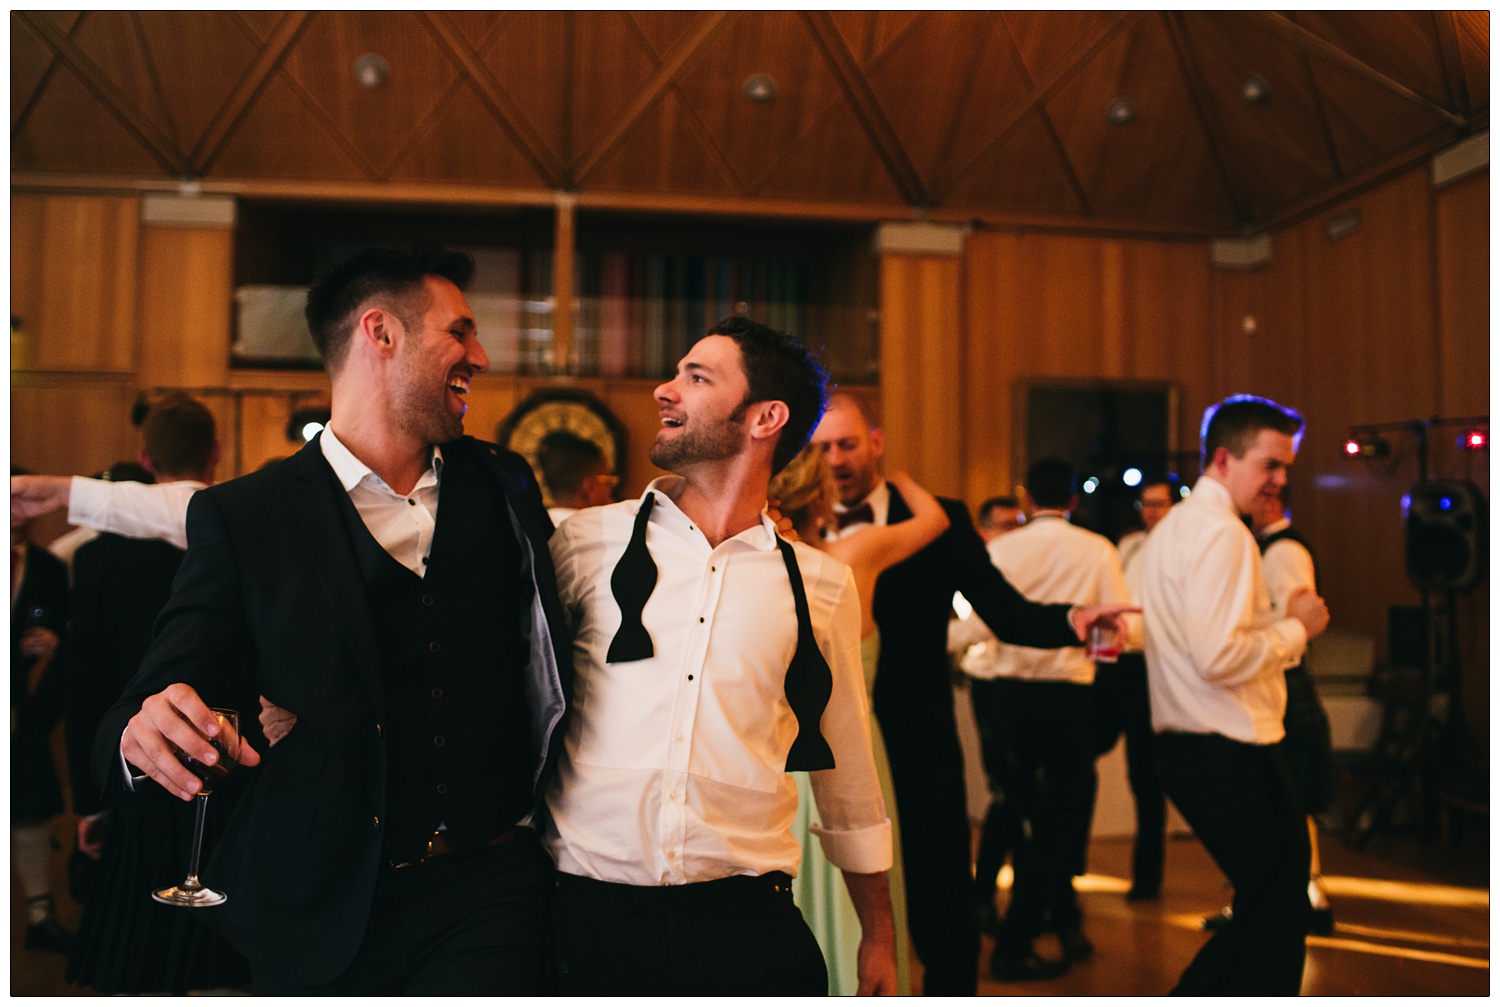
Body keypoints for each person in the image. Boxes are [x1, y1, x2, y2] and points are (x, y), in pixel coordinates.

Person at [14, 247, 572, 994]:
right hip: (322, 897)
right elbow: (144, 697)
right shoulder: (249, 515)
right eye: (461, 332)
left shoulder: (505, 482)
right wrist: (138, 732)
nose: (482, 356)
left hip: (491, 884)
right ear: (381, 333)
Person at [544, 318, 897, 995]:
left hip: (747, 926)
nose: (662, 390)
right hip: (584, 921)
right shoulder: (581, 542)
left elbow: (848, 773)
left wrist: (877, 935)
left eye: (696, 377)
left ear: (765, 417)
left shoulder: (820, 586)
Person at [809, 394, 1134, 995]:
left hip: (919, 743)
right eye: (822, 448)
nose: (836, 460)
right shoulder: (794, 525)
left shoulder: (943, 520)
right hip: (828, 753)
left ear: (875, 442)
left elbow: (1005, 612)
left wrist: (1072, 621)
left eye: (847, 444)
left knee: (944, 907)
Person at [1138, 394, 1330, 995]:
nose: (1279, 481)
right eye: (1269, 465)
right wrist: (1298, 628)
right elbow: (1219, 656)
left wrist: (1277, 624)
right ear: (1223, 459)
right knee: (1275, 918)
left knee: (1267, 912)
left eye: (1286, 469)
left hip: (1204, 748)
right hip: (1227, 748)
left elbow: (1206, 640)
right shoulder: (1223, 535)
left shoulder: (1175, 529)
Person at [62, 395, 252, 994]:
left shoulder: (96, 561)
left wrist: (92, 800)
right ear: (216, 452)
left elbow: (84, 683)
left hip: (136, 779)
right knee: (228, 958)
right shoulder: (250, 539)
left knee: (138, 966)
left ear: (145, 458)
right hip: (232, 778)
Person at [769, 445, 950, 994]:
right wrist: (894, 472)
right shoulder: (854, 557)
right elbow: (935, 519)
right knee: (865, 897)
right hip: (854, 756)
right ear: (820, 499)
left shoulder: (756, 568)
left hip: (777, 763)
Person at [949, 457, 1133, 981]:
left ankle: (1051, 918)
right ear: (1073, 499)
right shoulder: (1098, 549)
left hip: (1004, 695)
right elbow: (1118, 629)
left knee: (1021, 807)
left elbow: (975, 625)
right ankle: (1023, 933)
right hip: (1067, 696)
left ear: (1027, 498)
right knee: (1060, 818)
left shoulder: (1001, 549)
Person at [1252, 485, 1335, 936]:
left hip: (1283, 679)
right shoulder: (1261, 546)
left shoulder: (1283, 550)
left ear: (1271, 502)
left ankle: (1306, 899)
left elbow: (1295, 622)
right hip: (1273, 677)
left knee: (1289, 798)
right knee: (1276, 799)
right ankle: (1279, 900)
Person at [1093, 473, 1178, 902]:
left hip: (1151, 666)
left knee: (1145, 777)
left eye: (1158, 504)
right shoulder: (1129, 545)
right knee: (1080, 754)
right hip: (1114, 665)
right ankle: (1067, 863)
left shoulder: (1183, 550)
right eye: (1145, 504)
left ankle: (1147, 878)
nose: (1150, 511)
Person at [11, 471, 73, 954]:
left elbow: (70, 632)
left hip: (20, 707)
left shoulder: (49, 568)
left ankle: (40, 914)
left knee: (29, 812)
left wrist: (57, 644)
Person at [536, 429, 617, 525]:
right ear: (590, 487)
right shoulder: (607, 533)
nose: (612, 498)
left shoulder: (536, 529)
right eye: (608, 482)